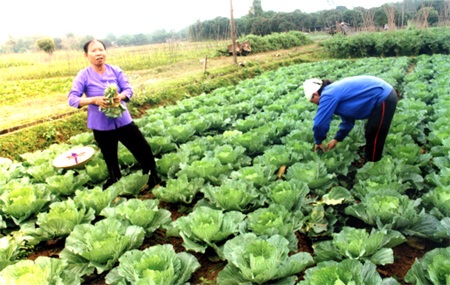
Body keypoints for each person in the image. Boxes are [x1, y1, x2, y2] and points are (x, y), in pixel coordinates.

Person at [68, 39, 160, 189]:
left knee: (143, 149)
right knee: (110, 157)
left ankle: (152, 177)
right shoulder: (83, 75)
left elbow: (128, 89)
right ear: (86, 55)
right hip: (101, 125)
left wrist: (120, 97)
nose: (98, 53)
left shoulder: (115, 70)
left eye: (101, 50)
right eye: (93, 51)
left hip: (122, 121)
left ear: (105, 52)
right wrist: (93, 100)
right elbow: (72, 99)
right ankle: (116, 183)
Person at [303, 76, 398, 163]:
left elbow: (320, 123)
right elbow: (348, 121)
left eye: (313, 102)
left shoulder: (328, 94)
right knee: (370, 131)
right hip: (381, 97)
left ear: (315, 94)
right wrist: (337, 139)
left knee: (375, 135)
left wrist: (318, 141)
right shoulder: (333, 93)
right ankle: (370, 160)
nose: (316, 104)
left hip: (384, 96)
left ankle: (372, 165)